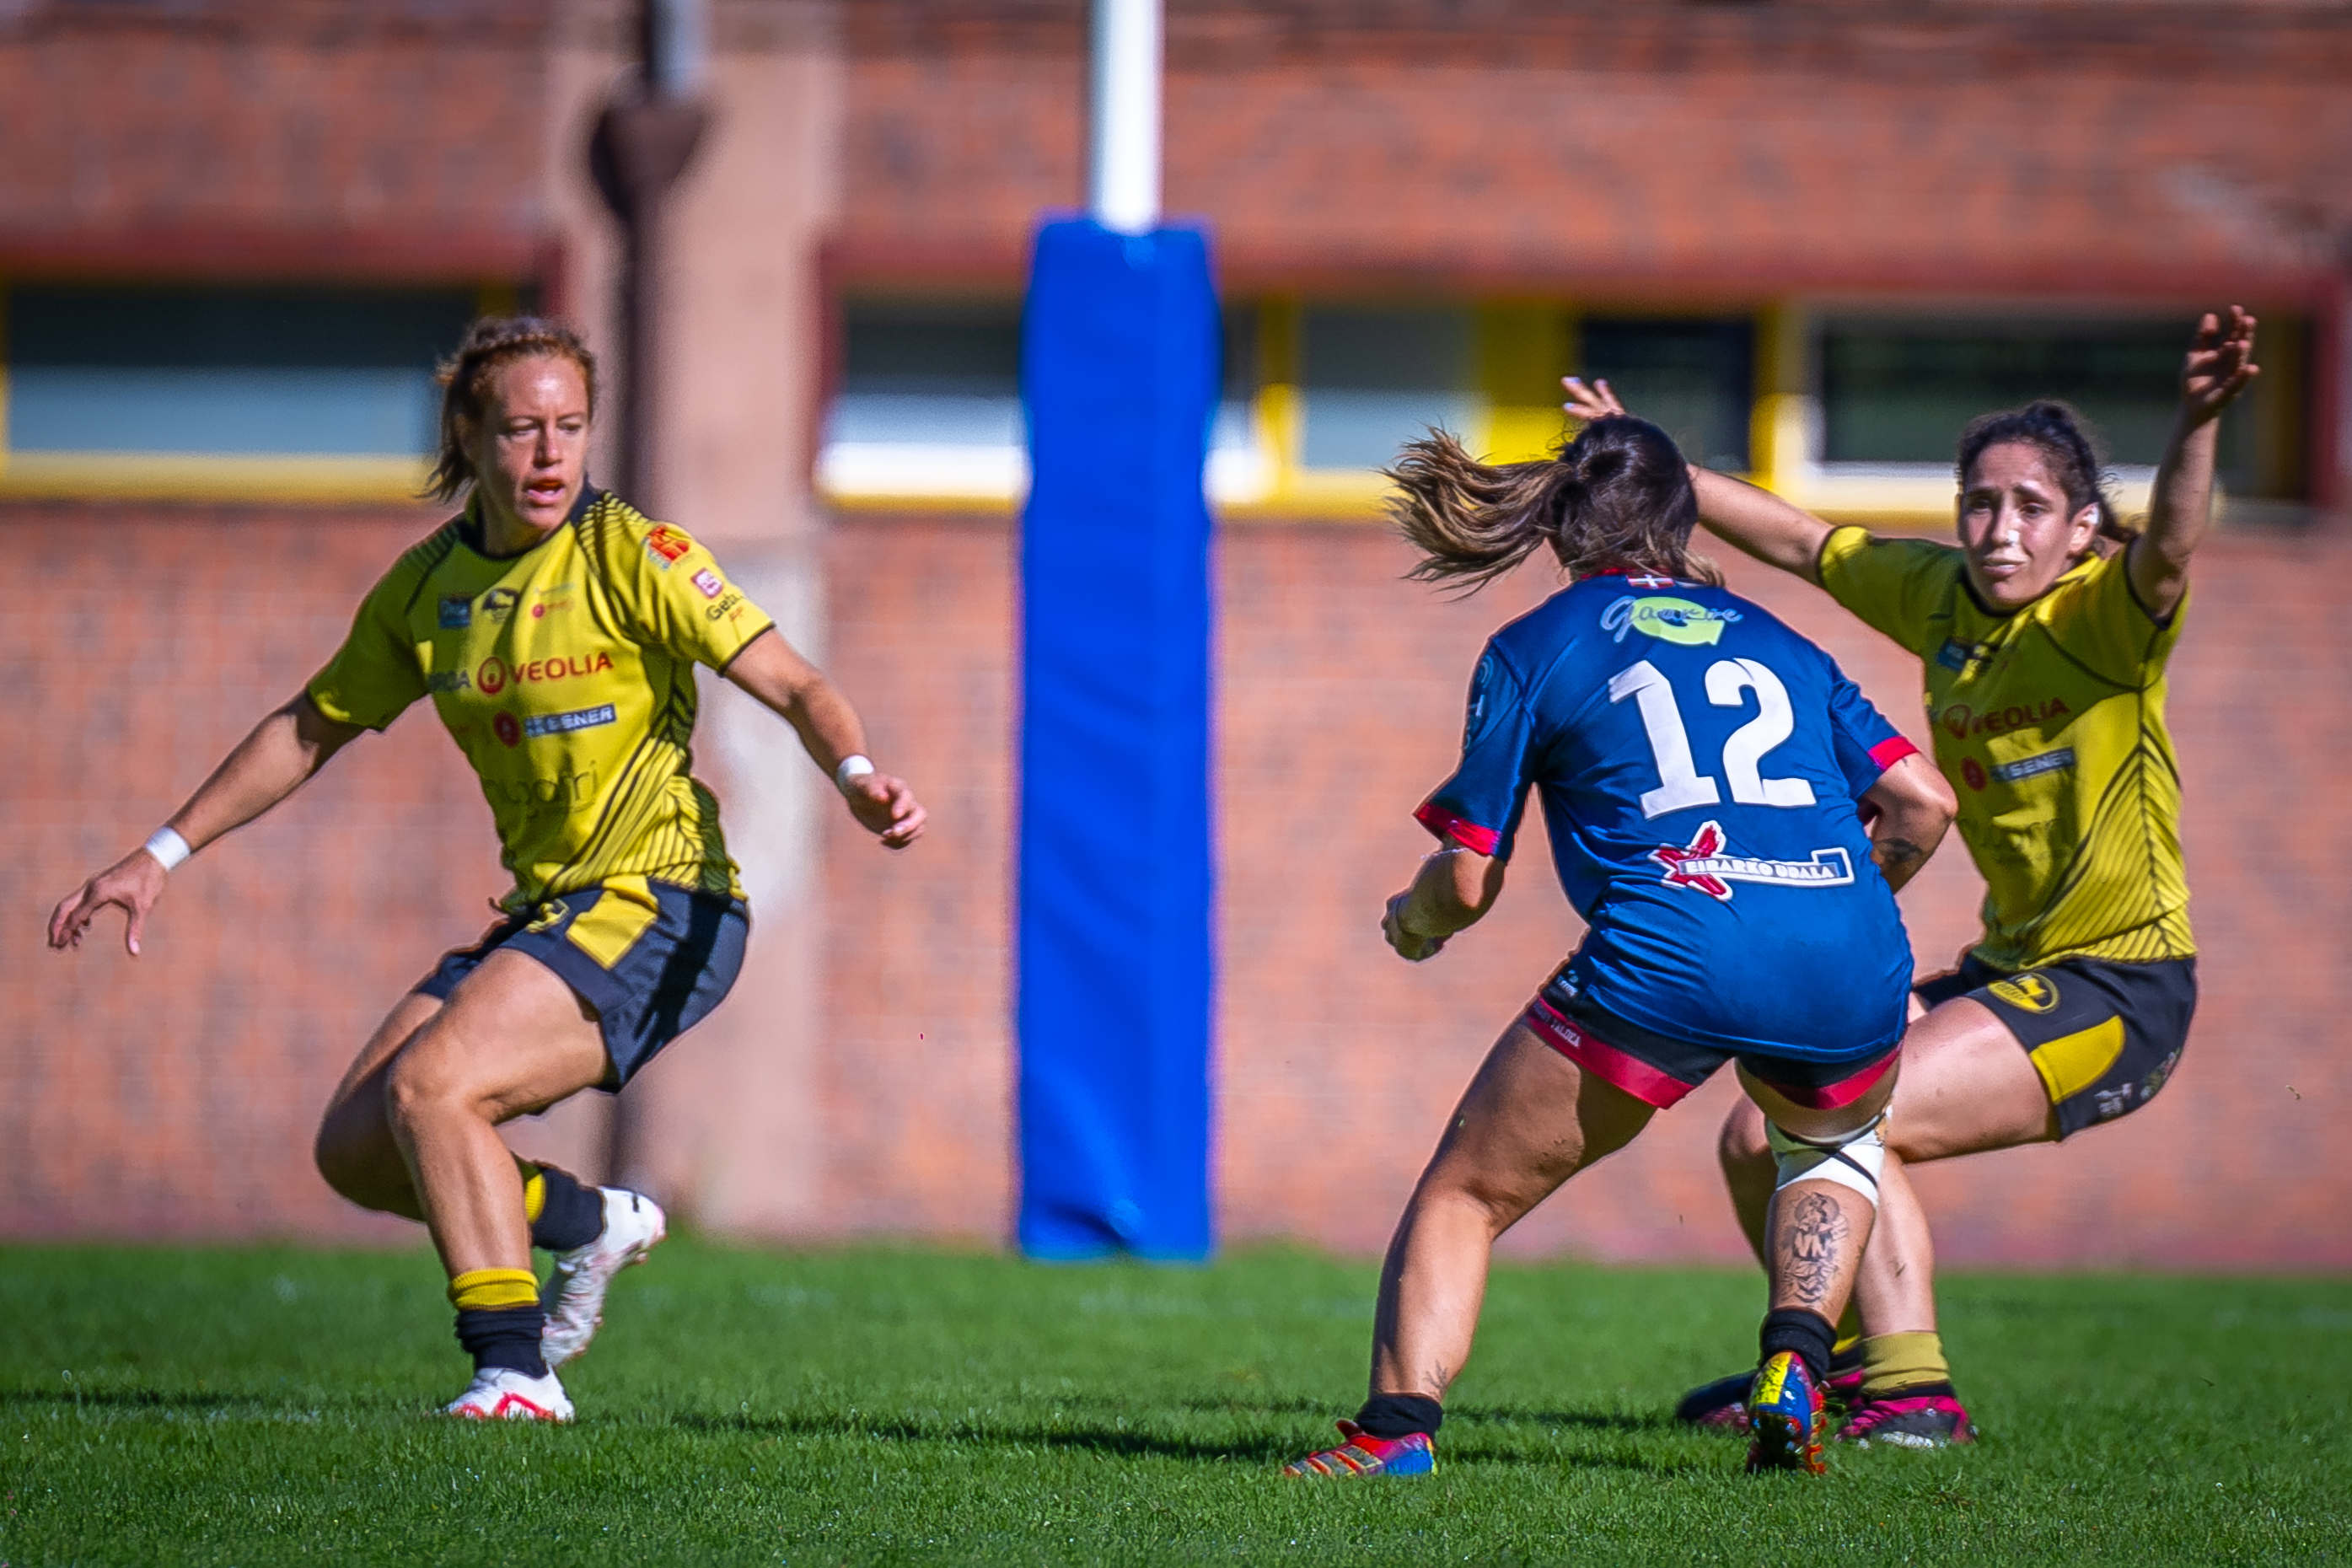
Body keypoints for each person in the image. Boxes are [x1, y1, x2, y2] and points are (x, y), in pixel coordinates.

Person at [47, 317, 926, 1422]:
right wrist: (160, 853)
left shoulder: (634, 554)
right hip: (550, 909)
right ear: (468, 436)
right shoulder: (429, 589)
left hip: (665, 904)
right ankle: (590, 1222)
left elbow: (796, 682)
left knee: (434, 1088)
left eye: (570, 426)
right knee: (362, 1149)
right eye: (520, 429)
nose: (551, 453)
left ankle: (515, 1375)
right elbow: (309, 728)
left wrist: (854, 773)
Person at [1565, 307, 2258, 1448]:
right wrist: (1654, 464)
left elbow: (2171, 550)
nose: (1999, 530)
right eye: (1980, 503)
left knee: (1857, 1115)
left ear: (2082, 530)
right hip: (2011, 967)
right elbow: (1801, 542)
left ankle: (1913, 1395)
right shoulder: (1938, 597)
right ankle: (1829, 1372)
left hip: (2120, 985)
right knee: (1757, 1136)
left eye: (2029, 507)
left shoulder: (2106, 618)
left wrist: (2197, 420)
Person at [1281, 416, 1957, 1479]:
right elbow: (1922, 804)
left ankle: (1393, 1434)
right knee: (1828, 1150)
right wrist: (1830, 912)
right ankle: (1795, 1361)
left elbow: (1468, 879)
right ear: (1685, 521)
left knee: (1468, 1195)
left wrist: (1414, 923)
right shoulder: (1781, 639)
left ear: (1559, 528)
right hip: (1849, 947)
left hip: (1672, 950)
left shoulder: (1538, 644)